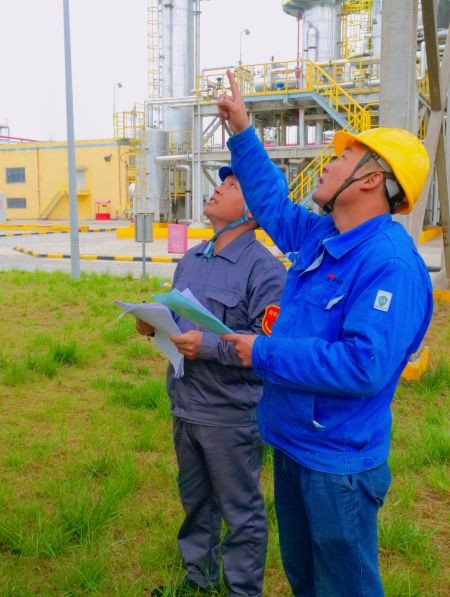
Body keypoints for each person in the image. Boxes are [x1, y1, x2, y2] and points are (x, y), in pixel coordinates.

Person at [218, 70, 433, 596]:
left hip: (338, 464)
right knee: (306, 580)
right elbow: (272, 206)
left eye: (341, 157)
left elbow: (362, 365)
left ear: (370, 180)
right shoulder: (324, 233)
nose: (327, 163)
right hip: (294, 443)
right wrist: (243, 132)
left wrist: (263, 353)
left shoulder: (389, 265)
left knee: (344, 587)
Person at [136, 166, 287, 597]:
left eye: (233, 185)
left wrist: (205, 346)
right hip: (185, 404)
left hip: (229, 414)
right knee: (195, 501)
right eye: (223, 182)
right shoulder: (192, 258)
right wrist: (152, 324)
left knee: (240, 511)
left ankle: (242, 590)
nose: (219, 188)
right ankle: (198, 581)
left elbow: (267, 348)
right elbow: (177, 317)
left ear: (254, 210)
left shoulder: (265, 271)